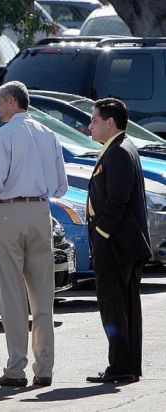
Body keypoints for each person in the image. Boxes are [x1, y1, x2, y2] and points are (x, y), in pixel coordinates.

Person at [0, 81, 68, 387]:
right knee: (43, 295)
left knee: (13, 294)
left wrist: (3, 190)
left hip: (10, 212)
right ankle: (44, 368)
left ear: (11, 102)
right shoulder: (49, 134)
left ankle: (16, 367)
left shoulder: (3, 135)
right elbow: (62, 186)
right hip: (42, 212)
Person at [85, 98, 151, 384]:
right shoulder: (117, 148)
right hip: (120, 244)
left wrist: (101, 234)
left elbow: (117, 201)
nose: (90, 126)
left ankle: (120, 365)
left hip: (115, 246)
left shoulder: (119, 152)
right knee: (123, 307)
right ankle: (126, 364)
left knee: (115, 307)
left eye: (94, 120)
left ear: (110, 122)